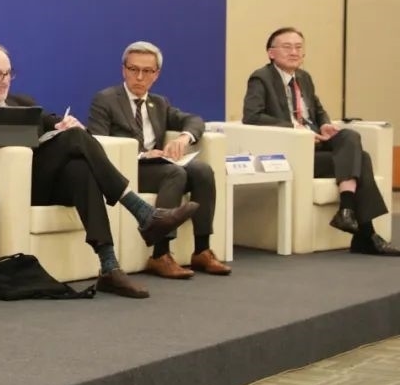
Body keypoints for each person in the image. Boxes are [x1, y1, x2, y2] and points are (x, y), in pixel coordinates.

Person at [0, 43, 199, 299]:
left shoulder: (22, 102)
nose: (4, 80)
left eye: (8, 74)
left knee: (80, 167)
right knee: (76, 140)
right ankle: (141, 211)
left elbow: (50, 120)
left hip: (45, 182)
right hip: (11, 187)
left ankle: (109, 267)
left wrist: (62, 124)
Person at [242, 27, 398, 256]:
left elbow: (318, 110)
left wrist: (324, 124)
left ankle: (347, 212)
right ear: (271, 53)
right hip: (294, 152)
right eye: (287, 47)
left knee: (350, 136)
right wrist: (295, 129)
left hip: (317, 145)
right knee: (362, 159)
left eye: (298, 47)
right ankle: (365, 234)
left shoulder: (304, 78)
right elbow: (252, 116)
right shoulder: (261, 78)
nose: (294, 52)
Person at [88, 41, 230, 278]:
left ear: (156, 74)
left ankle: (202, 250)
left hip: (158, 168)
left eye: (147, 71)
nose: (139, 77)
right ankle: (160, 254)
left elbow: (194, 120)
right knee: (175, 173)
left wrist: (184, 138)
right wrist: (142, 154)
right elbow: (98, 143)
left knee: (202, 170)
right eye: (133, 69)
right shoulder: (106, 99)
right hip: (125, 170)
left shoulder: (159, 103)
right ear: (123, 70)